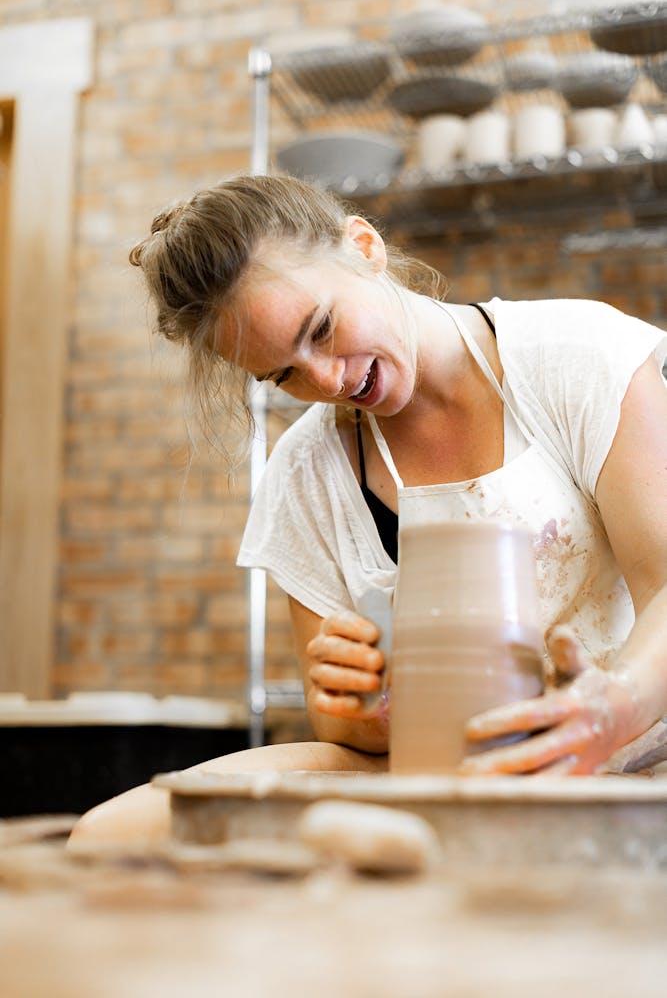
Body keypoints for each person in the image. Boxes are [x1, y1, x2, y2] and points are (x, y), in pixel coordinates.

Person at [69, 173, 667, 847]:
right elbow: (342, 728)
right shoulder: (306, 470)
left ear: (364, 247)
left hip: (629, 747)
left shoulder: (577, 359)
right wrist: (357, 700)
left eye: (321, 329)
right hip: (438, 766)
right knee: (112, 834)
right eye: (283, 374)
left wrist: (615, 705)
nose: (327, 380)